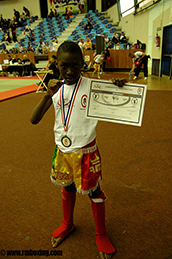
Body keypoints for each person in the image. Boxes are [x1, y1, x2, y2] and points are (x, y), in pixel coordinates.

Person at [30, 41, 126, 259]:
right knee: (68, 187)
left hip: (86, 150)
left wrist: (119, 85)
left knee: (94, 191)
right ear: (57, 65)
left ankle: (101, 233)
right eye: (65, 66)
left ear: (83, 63)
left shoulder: (92, 86)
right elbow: (34, 119)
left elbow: (118, 100)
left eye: (76, 65)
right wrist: (47, 94)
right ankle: (67, 224)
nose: (70, 71)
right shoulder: (55, 89)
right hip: (63, 150)